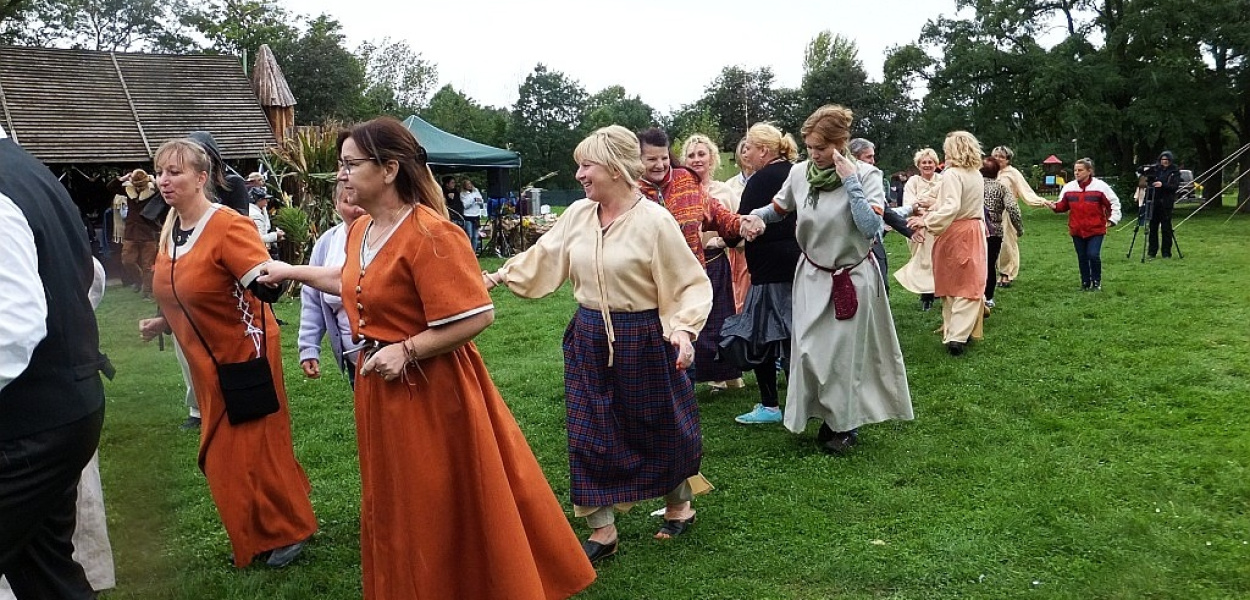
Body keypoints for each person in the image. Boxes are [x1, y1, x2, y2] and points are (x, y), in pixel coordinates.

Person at [262, 117, 595, 598]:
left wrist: (406, 348)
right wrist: (292, 270)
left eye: (351, 165)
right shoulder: (362, 232)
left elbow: (477, 315)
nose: (342, 175)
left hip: (435, 392)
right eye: (341, 166)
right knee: (397, 501)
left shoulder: (432, 233)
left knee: (436, 500)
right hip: (379, 387)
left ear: (390, 169)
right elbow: (354, 280)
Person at [483, 125, 714, 563]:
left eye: (586, 165)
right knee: (589, 433)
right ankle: (602, 530)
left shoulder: (654, 221)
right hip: (589, 336)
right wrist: (495, 277)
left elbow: (689, 283)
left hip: (646, 336)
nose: (580, 174)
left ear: (613, 168)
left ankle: (679, 506)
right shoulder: (578, 216)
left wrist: (683, 330)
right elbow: (544, 256)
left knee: (660, 426)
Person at [138, 138, 316, 569]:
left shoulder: (228, 225)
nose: (164, 180)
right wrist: (165, 320)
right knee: (225, 456)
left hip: (244, 354)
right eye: (160, 171)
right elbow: (192, 288)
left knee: (253, 451)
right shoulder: (172, 230)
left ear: (202, 178)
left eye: (175, 171)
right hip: (204, 361)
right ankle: (257, 531)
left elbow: (261, 280)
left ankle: (286, 528)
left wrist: (267, 280)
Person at [739, 105, 913, 454]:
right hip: (812, 275)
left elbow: (870, 227)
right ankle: (824, 413)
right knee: (808, 351)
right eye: (810, 148)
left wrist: (850, 181)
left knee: (844, 355)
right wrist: (757, 218)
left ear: (841, 143)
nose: (814, 155)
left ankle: (844, 426)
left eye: (821, 148)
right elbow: (779, 208)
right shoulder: (801, 173)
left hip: (853, 276)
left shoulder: (866, 174)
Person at [0, 122, 112, 599]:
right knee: (46, 576)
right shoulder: (32, 173)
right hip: (63, 407)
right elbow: (90, 276)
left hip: (28, 426)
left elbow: (14, 323)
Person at [720, 122, 800, 426]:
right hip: (801, 263)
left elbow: (741, 222)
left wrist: (723, 238)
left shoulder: (760, 180)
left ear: (764, 150)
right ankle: (801, 399)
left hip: (768, 268)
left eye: (748, 148)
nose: (745, 154)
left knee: (762, 336)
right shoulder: (798, 173)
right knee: (796, 333)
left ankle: (771, 405)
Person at [908, 131, 988, 356]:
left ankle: (955, 334)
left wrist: (926, 220)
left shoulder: (953, 174)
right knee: (968, 282)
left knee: (955, 283)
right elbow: (953, 202)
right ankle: (957, 333)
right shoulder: (975, 174)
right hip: (972, 230)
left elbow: (951, 205)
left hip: (954, 230)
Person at [682, 133, 744, 391]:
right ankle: (697, 374)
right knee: (692, 320)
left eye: (701, 154)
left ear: (712, 159)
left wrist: (719, 241)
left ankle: (728, 375)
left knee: (720, 321)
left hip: (716, 261)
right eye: (691, 155)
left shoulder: (724, 191)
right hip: (687, 264)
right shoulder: (680, 193)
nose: (696, 159)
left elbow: (739, 229)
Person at [298, 181, 367, 389]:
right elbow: (312, 298)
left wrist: (288, 271)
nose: (358, 209)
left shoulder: (387, 238)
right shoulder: (328, 242)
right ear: (336, 204)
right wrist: (309, 346)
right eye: (347, 201)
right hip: (354, 359)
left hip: (391, 356)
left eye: (363, 201)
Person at [848, 138, 917, 291]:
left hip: (875, 242)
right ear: (854, 157)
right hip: (855, 244)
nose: (873, 161)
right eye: (868, 157)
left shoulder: (872, 179)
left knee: (882, 286)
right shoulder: (849, 181)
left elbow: (885, 210)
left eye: (873, 156)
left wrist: (909, 230)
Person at [1044, 158, 1121, 291]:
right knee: (1082, 257)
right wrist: (1053, 206)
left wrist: (1112, 219)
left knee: (1093, 255)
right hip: (1077, 229)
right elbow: (1062, 206)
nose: (1076, 173)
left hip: (1096, 229)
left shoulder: (1100, 187)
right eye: (1075, 170)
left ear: (1089, 171)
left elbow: (1113, 203)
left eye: (1080, 170)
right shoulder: (1069, 187)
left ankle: (1096, 282)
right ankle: (1085, 283)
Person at [990, 145, 1047, 287]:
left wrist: (1042, 202)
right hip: (989, 213)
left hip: (1007, 212)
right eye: (995, 156)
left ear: (1008, 160)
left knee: (1006, 244)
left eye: (1002, 157)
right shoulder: (988, 171)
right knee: (991, 244)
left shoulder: (1012, 173)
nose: (998, 159)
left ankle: (1006, 273)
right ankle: (993, 272)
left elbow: (1025, 191)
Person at [894, 148, 943, 310]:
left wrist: (930, 210)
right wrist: (924, 211)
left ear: (936, 164)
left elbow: (946, 203)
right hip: (918, 226)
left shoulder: (942, 180)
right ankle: (926, 295)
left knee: (937, 259)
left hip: (937, 225)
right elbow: (910, 203)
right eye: (924, 162)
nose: (927, 165)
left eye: (930, 162)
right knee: (923, 261)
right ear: (918, 165)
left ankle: (937, 290)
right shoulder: (913, 182)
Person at [108, 168, 161, 298]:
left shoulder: (153, 191)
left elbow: (164, 193)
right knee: (127, 261)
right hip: (131, 233)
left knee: (148, 265)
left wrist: (155, 181)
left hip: (148, 233)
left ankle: (148, 292)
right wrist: (123, 178)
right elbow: (111, 188)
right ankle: (139, 280)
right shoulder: (128, 190)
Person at [979, 158, 1023, 311]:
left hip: (973, 230)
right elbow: (1013, 209)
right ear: (997, 172)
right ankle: (988, 297)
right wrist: (1019, 229)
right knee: (989, 265)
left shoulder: (971, 186)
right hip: (994, 232)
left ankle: (970, 297)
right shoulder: (1001, 188)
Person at [723, 138, 754, 313]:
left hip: (756, 242)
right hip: (736, 247)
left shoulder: (764, 180)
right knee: (738, 289)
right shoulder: (730, 186)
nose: (747, 154)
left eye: (750, 149)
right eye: (743, 150)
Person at [1147, 151, 1181, 258]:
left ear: (1170, 161)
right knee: (1153, 228)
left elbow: (1174, 187)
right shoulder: (1156, 170)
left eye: (1166, 160)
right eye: (1162, 160)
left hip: (1166, 203)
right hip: (1154, 202)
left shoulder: (1174, 172)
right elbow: (1147, 179)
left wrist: (1162, 185)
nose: (1164, 162)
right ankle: (1152, 251)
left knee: (1166, 228)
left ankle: (1166, 252)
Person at [460, 177, 485, 253]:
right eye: (467, 184)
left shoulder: (476, 191)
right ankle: (467, 251)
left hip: (476, 215)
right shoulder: (462, 194)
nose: (469, 185)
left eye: (470, 184)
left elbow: (481, 201)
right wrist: (473, 200)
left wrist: (479, 200)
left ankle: (473, 252)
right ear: (464, 186)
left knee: (475, 236)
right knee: (469, 235)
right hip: (468, 216)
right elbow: (466, 205)